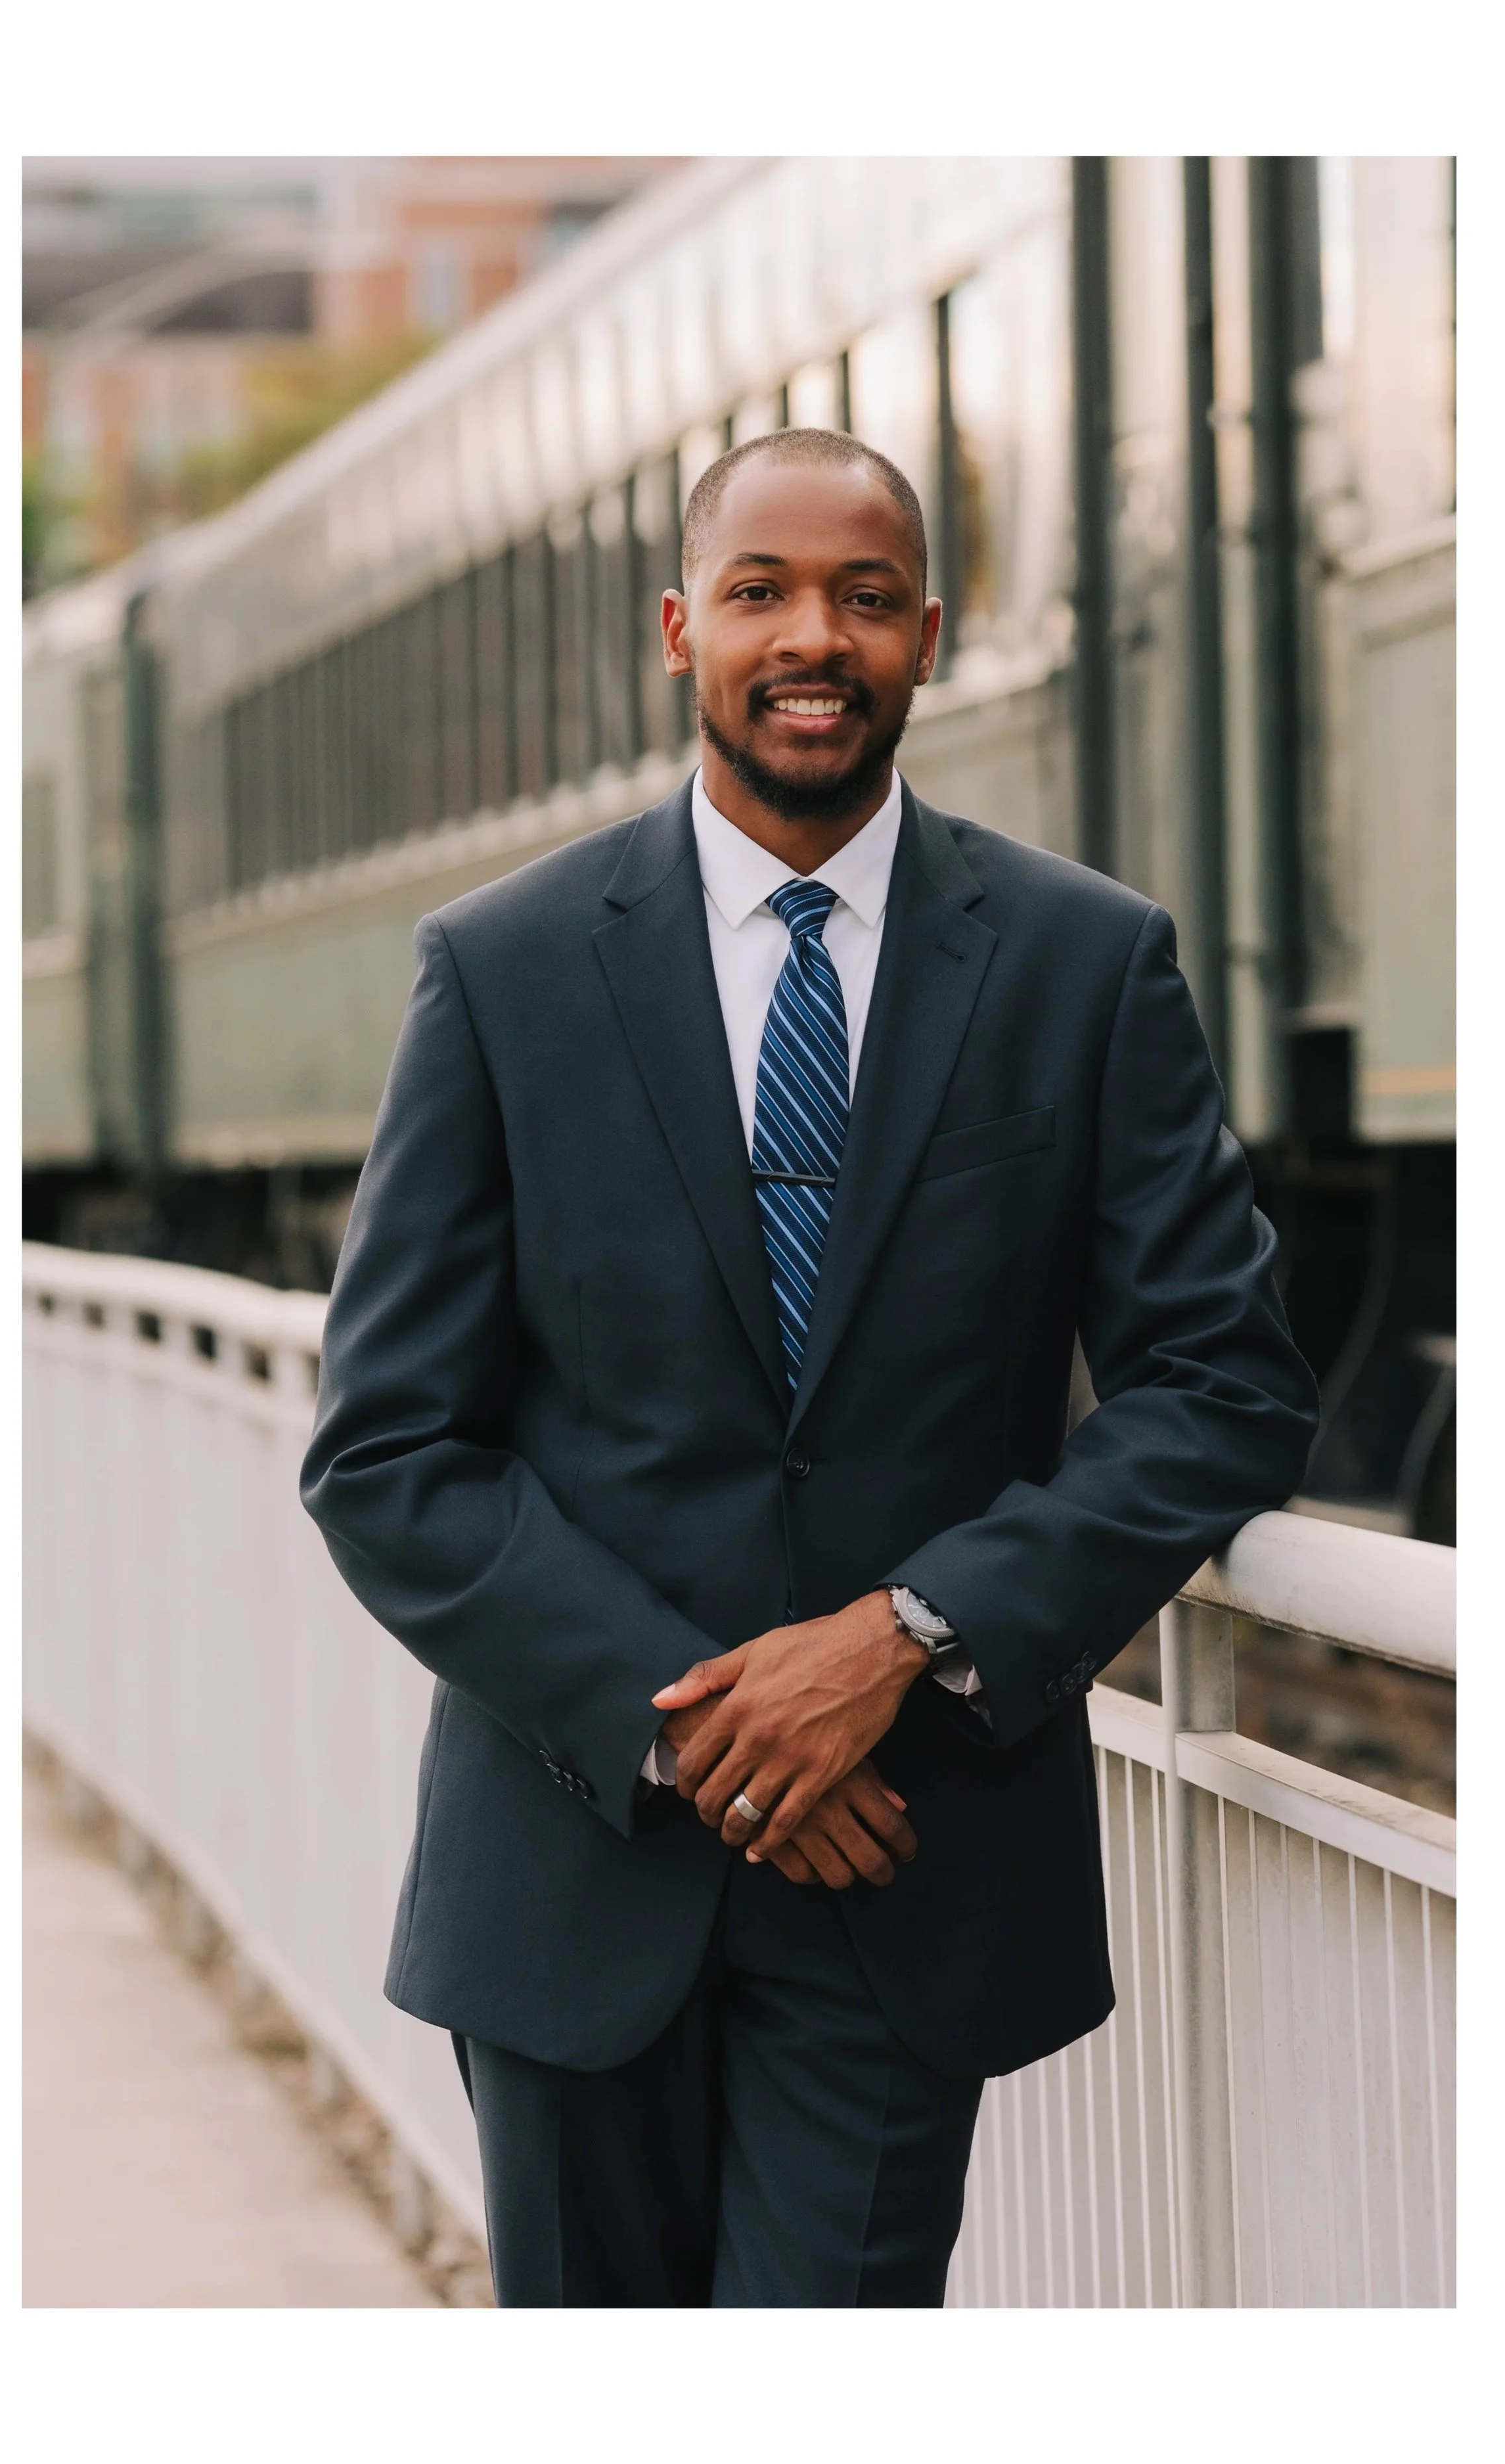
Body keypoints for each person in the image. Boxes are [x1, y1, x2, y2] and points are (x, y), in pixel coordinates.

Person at [300, 427, 1318, 2308]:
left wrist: (904, 1632)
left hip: (903, 1875)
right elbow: (387, 1453)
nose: (811, 636)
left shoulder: (1086, 965)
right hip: (575, 1871)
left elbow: (1223, 1381)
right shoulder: (503, 966)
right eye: (761, 590)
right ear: (679, 630)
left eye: (862, 597)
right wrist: (698, 1734)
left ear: (929, 635)